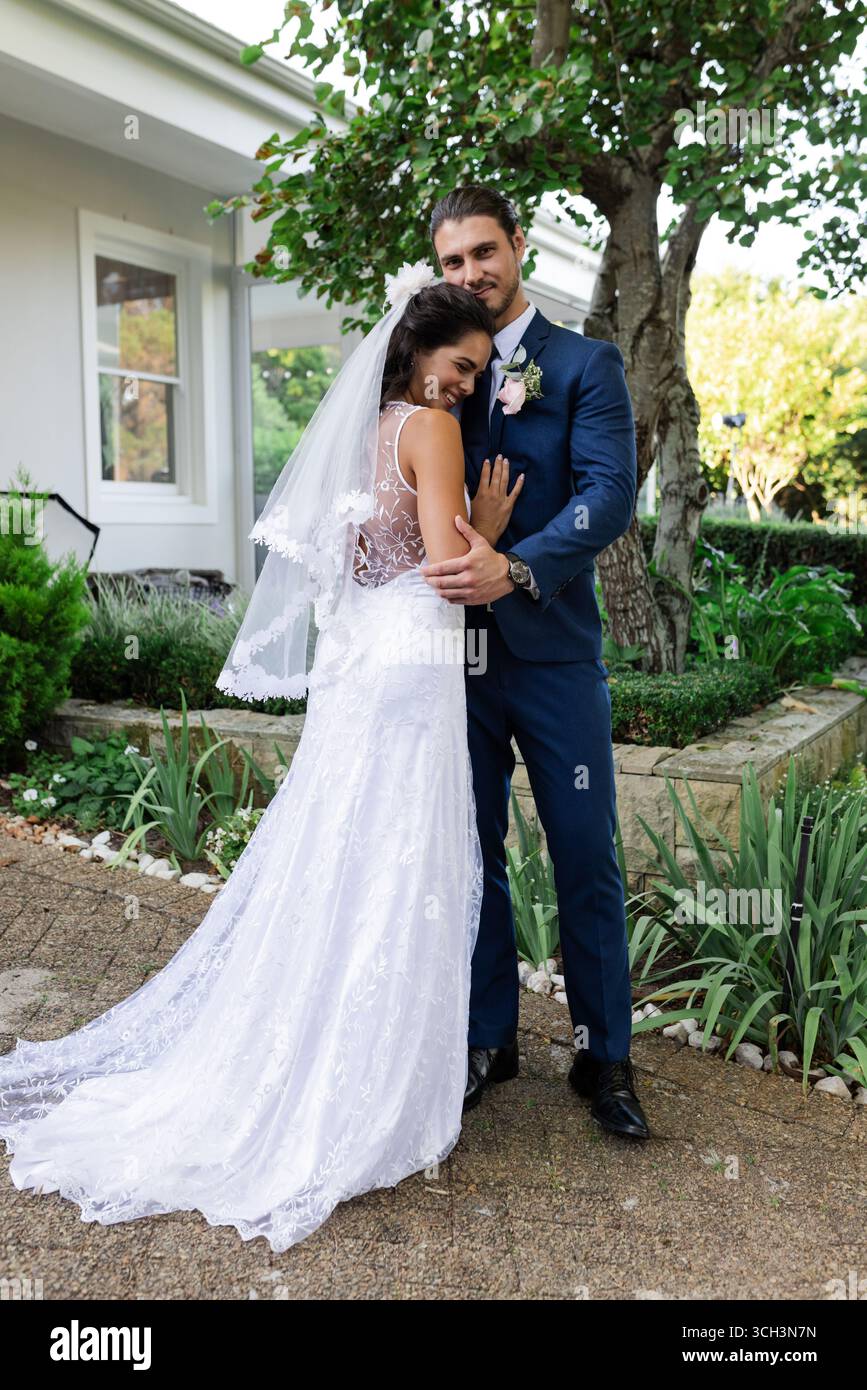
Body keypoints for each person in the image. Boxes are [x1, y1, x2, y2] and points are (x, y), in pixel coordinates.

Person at [0, 271, 520, 1253]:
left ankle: (321, 1052)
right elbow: (452, 567)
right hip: (414, 663)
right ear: (419, 351)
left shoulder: (363, 437)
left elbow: (360, 567)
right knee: (402, 863)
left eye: (478, 374)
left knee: (343, 855)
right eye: (461, 366)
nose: (465, 386)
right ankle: (366, 1089)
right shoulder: (435, 432)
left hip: (364, 661)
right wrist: (488, 528)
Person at [421, 185, 650, 1139]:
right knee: (471, 852)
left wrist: (512, 566)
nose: (470, 273)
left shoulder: (588, 364)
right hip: (455, 660)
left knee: (586, 854)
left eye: (483, 252)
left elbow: (609, 494)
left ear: (518, 246)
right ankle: (488, 1040)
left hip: (553, 654)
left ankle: (604, 1057)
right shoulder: (438, 368)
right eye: (451, 262)